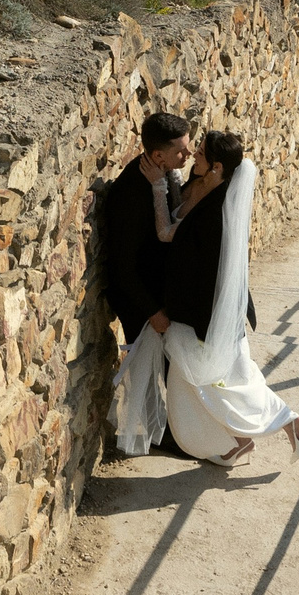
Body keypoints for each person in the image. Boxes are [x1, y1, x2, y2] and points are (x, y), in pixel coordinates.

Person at [158, 130, 299, 468]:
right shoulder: (211, 191)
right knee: (227, 382)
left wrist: (201, 326)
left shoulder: (216, 213)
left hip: (204, 317)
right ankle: (249, 438)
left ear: (216, 167)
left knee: (207, 384)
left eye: (201, 153)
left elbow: (206, 272)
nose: (194, 156)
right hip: (209, 315)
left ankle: (277, 425)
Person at [102, 112, 190, 456]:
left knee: (170, 366)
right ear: (157, 155)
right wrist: (152, 311)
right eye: (181, 150)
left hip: (159, 290)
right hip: (138, 296)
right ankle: (163, 436)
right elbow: (122, 267)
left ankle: (175, 430)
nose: (188, 154)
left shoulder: (163, 176)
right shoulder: (130, 192)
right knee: (148, 368)